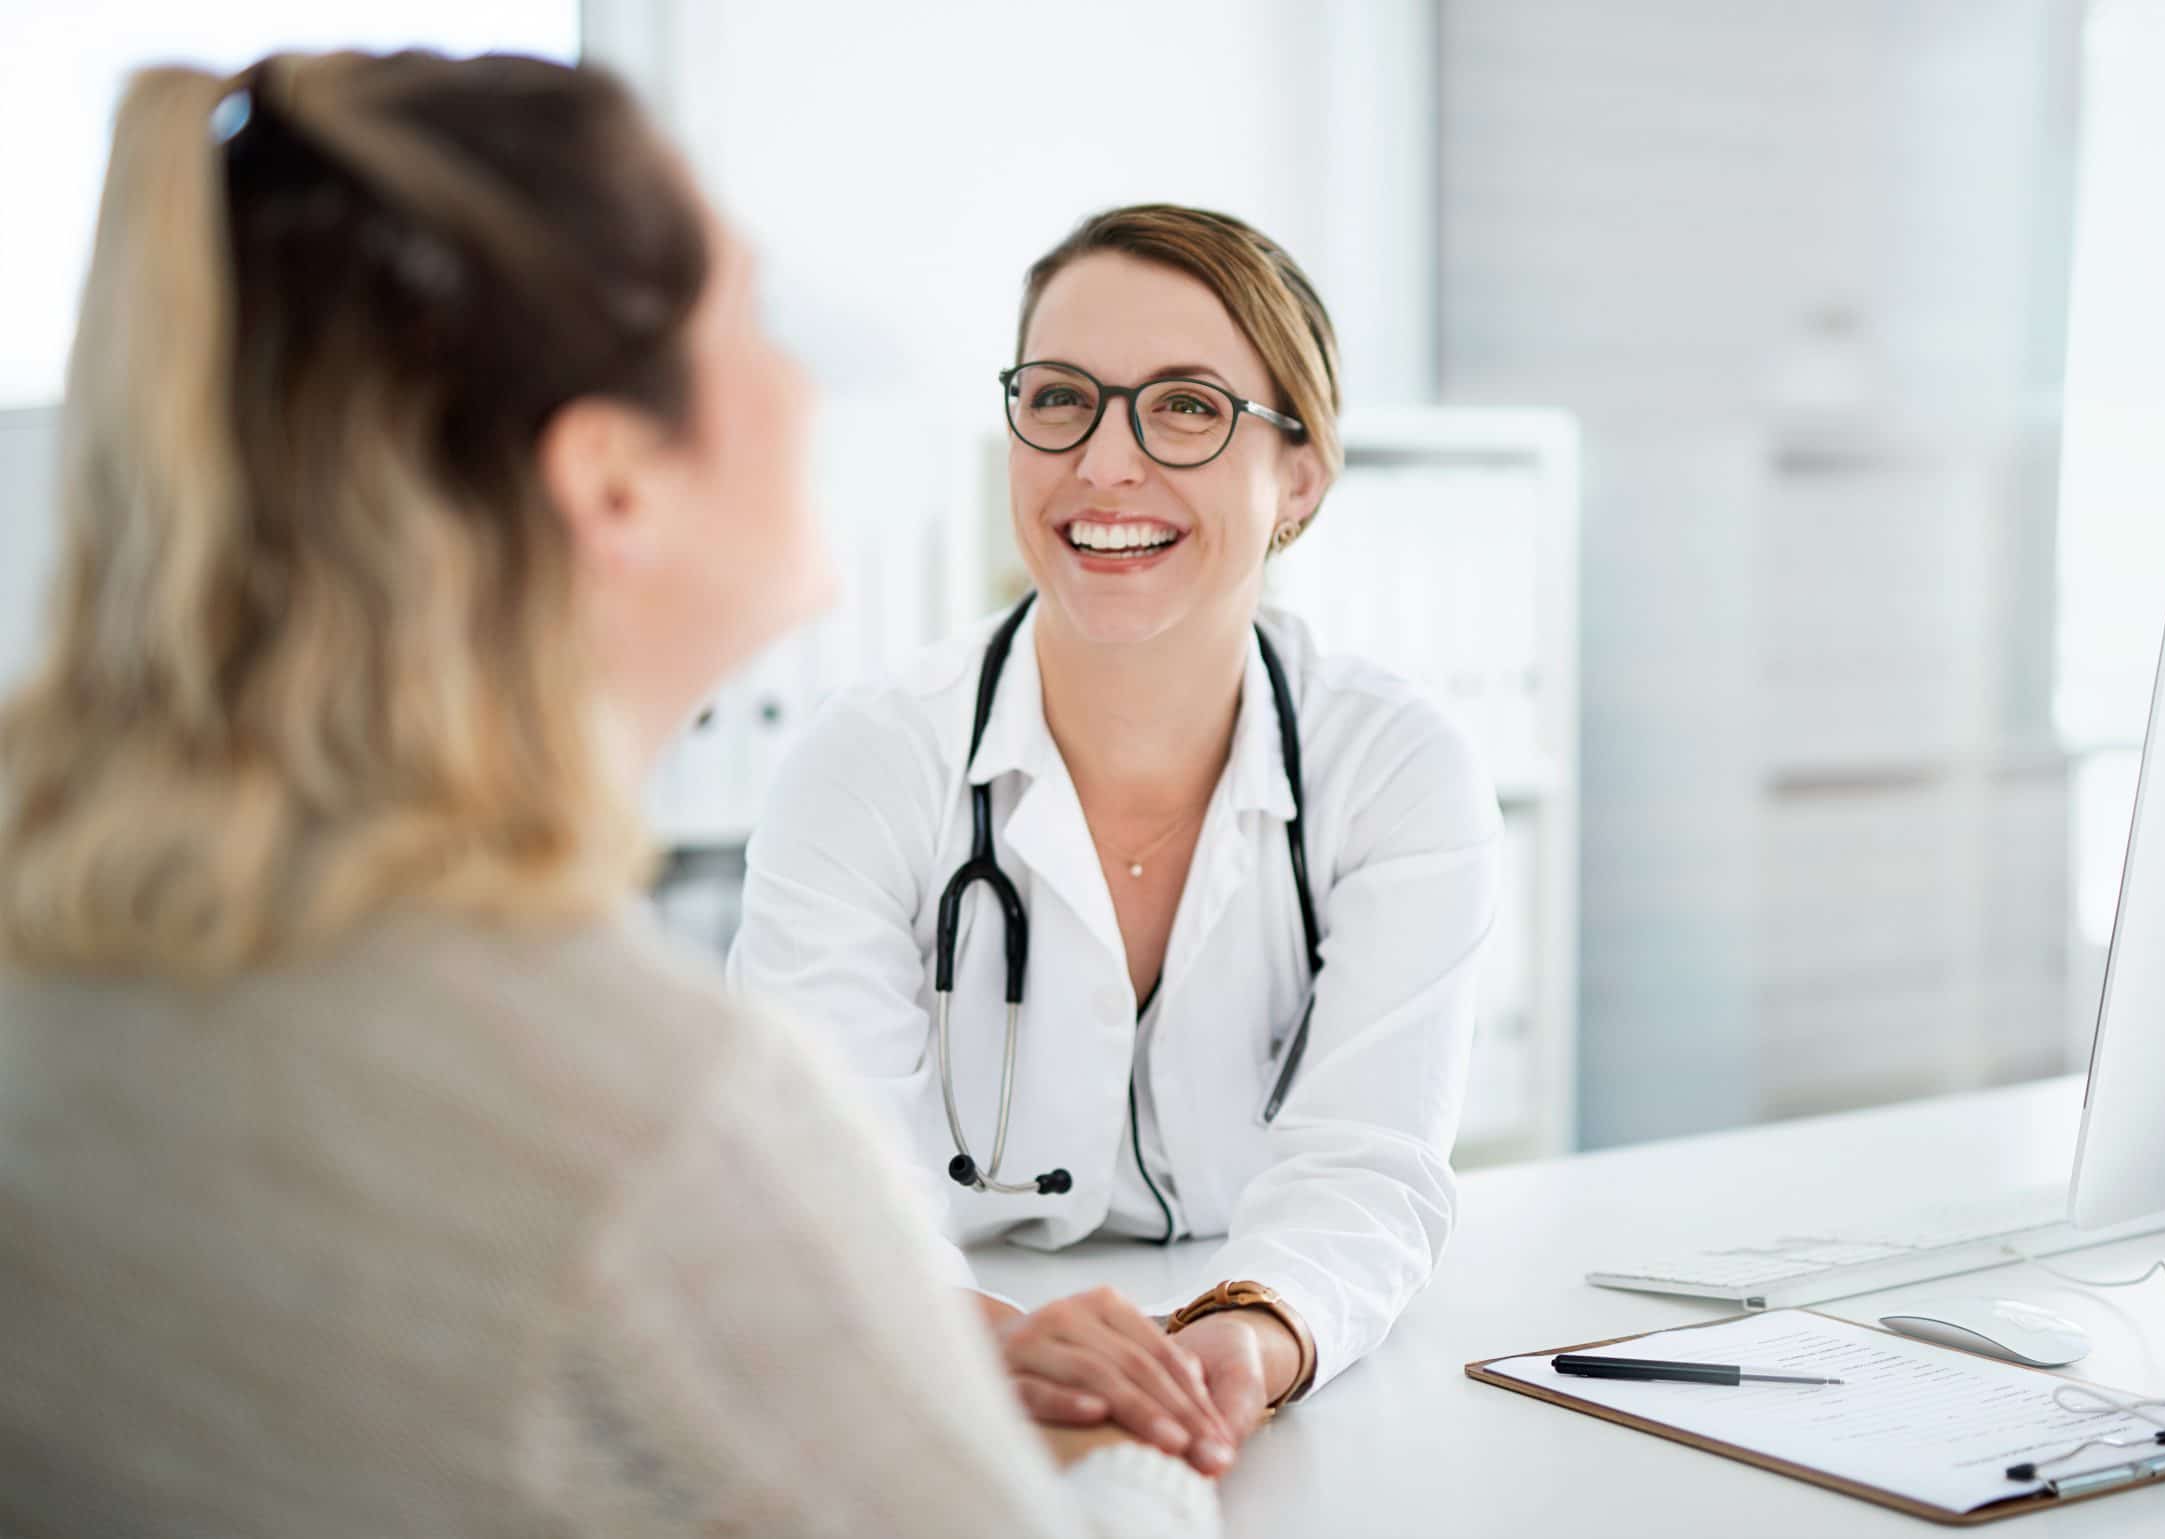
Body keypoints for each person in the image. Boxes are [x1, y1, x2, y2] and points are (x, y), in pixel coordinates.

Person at [0, 52, 1212, 1538]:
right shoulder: (650, 1121)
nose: (803, 382)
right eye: (750, 319)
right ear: (619, 483)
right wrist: (1160, 1462)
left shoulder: (59, 958)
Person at [728, 204, 1503, 1472]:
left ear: (1299, 474)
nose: (1104, 464)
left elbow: (1369, 1162)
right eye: (1060, 398)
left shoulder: (1399, 773)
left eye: (1187, 407)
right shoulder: (864, 765)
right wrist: (972, 1338)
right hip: (914, 1408)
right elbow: (815, 1192)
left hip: (1255, 1411)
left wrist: (1252, 1335)